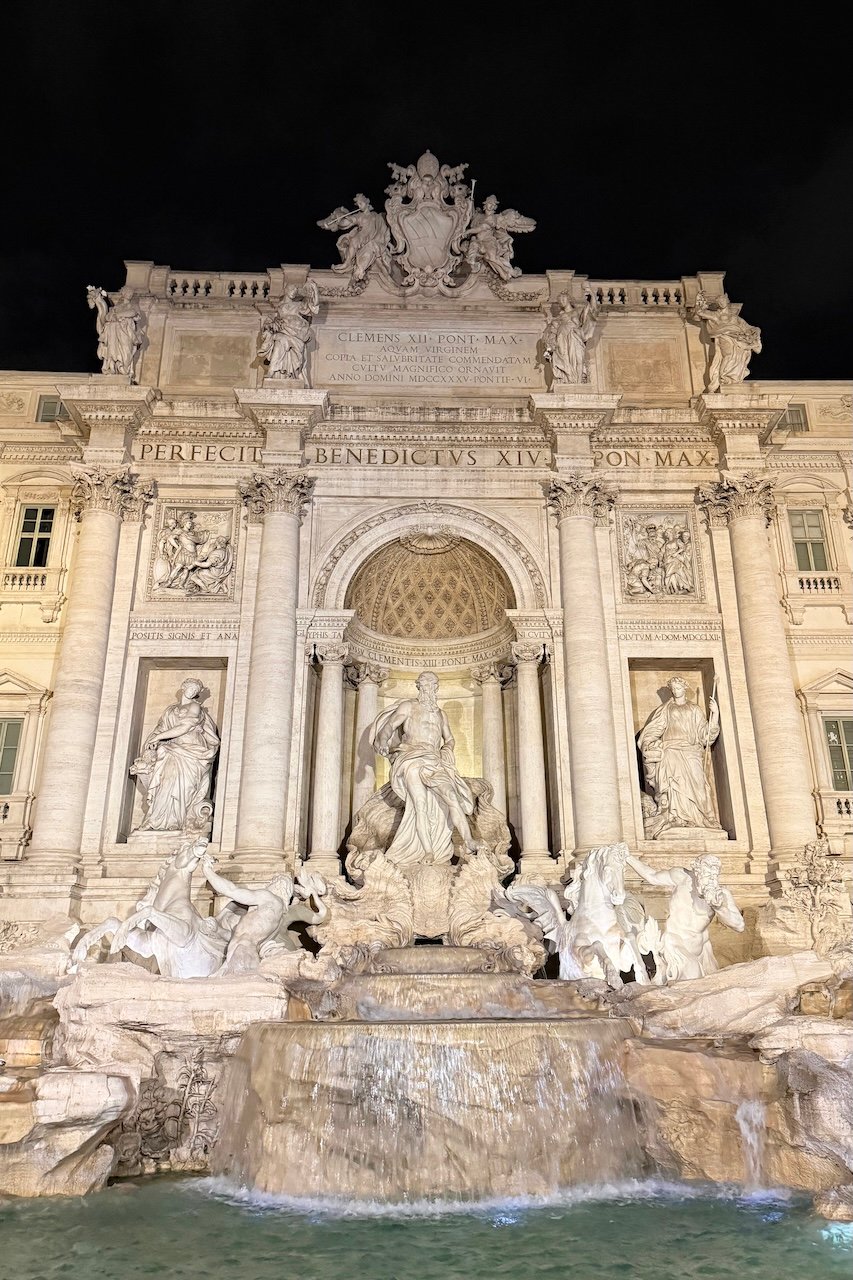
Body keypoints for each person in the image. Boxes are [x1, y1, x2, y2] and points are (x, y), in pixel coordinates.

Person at [371, 672, 479, 866]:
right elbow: (389, 726)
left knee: (452, 797)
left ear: (436, 688)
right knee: (419, 806)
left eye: (432, 684)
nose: (429, 687)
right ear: (418, 686)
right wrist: (382, 740)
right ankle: (428, 851)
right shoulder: (408, 706)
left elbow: (450, 738)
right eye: (425, 683)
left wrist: (447, 748)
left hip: (434, 760)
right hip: (411, 758)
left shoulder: (440, 714)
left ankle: (469, 841)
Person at [623, 851, 744, 979]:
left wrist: (720, 908)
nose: (711, 879)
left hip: (702, 951)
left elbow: (739, 925)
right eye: (707, 873)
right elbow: (652, 876)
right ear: (697, 871)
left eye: (714, 875)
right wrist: (628, 857)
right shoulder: (681, 877)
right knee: (692, 976)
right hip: (675, 943)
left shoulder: (721, 894)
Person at [130, 679, 220, 833]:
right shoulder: (170, 710)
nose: (193, 691)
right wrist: (152, 741)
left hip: (193, 752)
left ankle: (177, 822)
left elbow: (185, 726)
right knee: (166, 782)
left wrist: (159, 738)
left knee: (185, 786)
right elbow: (161, 728)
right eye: (191, 688)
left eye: (196, 690)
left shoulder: (194, 707)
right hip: (172, 750)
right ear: (183, 688)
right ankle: (155, 820)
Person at [638, 676, 722, 837]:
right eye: (674, 689)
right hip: (670, 752)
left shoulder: (694, 709)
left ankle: (699, 819)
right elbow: (654, 730)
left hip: (691, 752)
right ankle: (675, 817)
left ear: (685, 689)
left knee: (698, 785)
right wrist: (650, 744)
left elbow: (705, 735)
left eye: (679, 688)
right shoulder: (666, 709)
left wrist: (715, 714)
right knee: (674, 787)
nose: (676, 691)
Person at [693, 290, 762, 392]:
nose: (721, 303)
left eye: (723, 300)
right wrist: (699, 300)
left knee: (737, 357)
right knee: (728, 355)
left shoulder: (735, 318)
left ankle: (730, 377)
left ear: (727, 300)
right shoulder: (715, 315)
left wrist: (756, 330)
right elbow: (699, 312)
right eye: (719, 301)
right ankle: (723, 376)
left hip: (737, 339)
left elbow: (748, 327)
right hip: (724, 337)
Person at [541, 292, 599, 384]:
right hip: (562, 339)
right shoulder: (559, 317)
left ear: (569, 300)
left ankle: (578, 381)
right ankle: (568, 379)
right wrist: (550, 345)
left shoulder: (578, 311)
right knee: (565, 359)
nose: (562, 301)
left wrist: (591, 295)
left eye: (564, 299)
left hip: (575, 337)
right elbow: (550, 331)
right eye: (560, 300)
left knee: (578, 359)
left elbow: (592, 311)